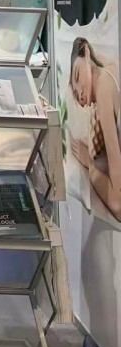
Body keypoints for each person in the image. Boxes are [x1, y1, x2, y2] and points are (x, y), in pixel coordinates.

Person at [69, 37, 121, 219]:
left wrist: (89, 165)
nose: (81, 94)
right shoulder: (111, 70)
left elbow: (118, 204)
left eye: (77, 76)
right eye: (76, 95)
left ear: (86, 51)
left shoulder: (104, 85)